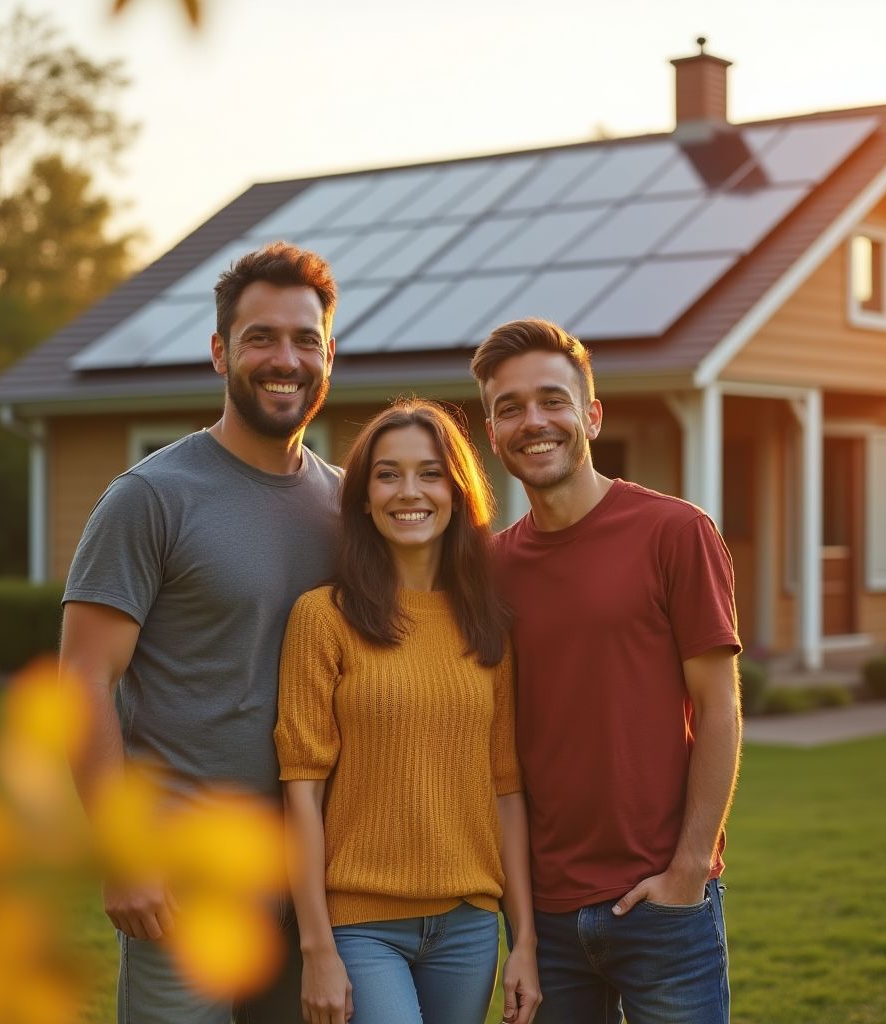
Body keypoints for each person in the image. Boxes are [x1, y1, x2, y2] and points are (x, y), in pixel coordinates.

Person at [59, 241, 342, 1023]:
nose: (284, 359)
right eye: (260, 338)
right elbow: (82, 679)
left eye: (304, 340)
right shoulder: (151, 497)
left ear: (329, 355)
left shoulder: (350, 508)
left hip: (314, 876)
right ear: (220, 351)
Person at [470, 318, 742, 1024]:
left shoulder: (675, 533)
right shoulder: (490, 569)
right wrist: (523, 922)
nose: (534, 421)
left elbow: (718, 707)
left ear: (591, 414)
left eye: (553, 400)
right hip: (548, 920)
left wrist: (687, 872)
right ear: (493, 432)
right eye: (510, 407)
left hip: (664, 907)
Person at [275, 399, 542, 1024]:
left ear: (457, 493)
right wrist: (316, 948)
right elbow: (301, 793)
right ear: (364, 499)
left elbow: (505, 789)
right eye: (387, 474)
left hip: (468, 926)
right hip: (362, 928)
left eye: (429, 473)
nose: (409, 491)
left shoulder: (486, 625)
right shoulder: (323, 618)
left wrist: (522, 939)